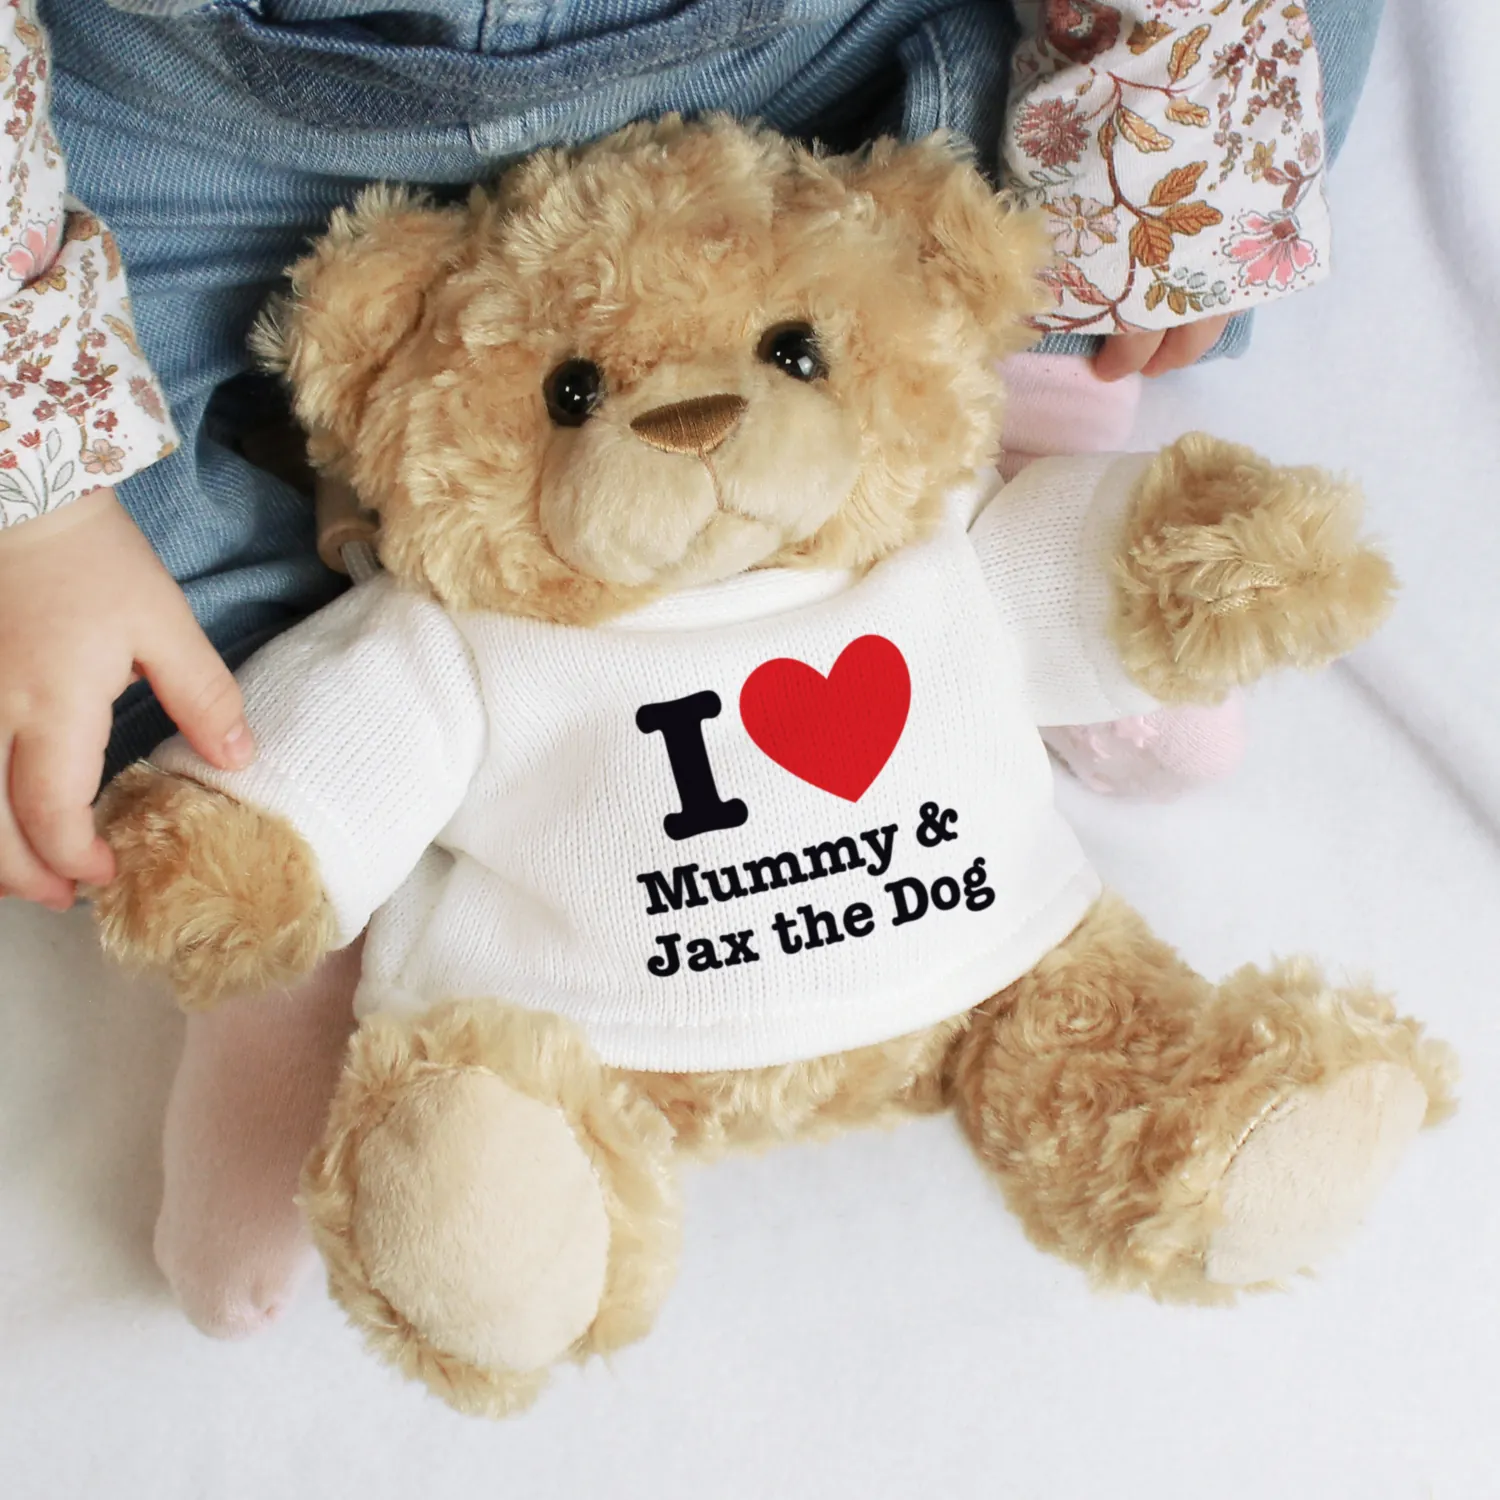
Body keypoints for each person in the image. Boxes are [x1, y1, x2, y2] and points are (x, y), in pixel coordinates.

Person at [0, 0, 1384, 1332]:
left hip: (809, 63)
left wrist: (1176, 76)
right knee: (106, 651)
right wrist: (40, 501)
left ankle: (1017, 455)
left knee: (1226, 97)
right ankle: (314, 858)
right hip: (213, 130)